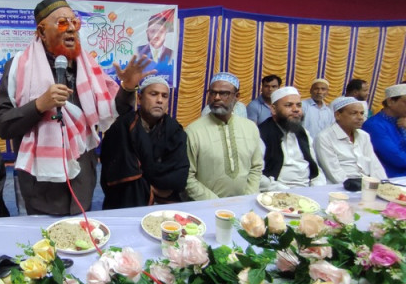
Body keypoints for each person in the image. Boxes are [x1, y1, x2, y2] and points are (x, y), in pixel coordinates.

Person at [0, 0, 152, 215]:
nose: (71, 29)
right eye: (62, 23)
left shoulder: (88, 66)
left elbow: (114, 113)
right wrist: (39, 105)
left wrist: (127, 88)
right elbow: (3, 126)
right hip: (42, 187)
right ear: (41, 31)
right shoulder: (18, 67)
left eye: (74, 23)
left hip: (82, 181)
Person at [100, 76, 188, 209]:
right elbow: (117, 173)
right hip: (125, 204)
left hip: (166, 205)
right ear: (140, 98)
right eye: (153, 94)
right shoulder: (122, 127)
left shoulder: (175, 130)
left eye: (164, 96)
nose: (159, 100)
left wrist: (142, 175)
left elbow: (179, 178)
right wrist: (154, 187)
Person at [183, 72, 263, 201]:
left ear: (237, 96)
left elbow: (256, 167)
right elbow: (187, 176)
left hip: (244, 204)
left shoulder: (250, 128)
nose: (216, 98)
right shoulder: (193, 131)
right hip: (206, 205)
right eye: (213, 93)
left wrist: (247, 197)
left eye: (224, 93)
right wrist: (216, 203)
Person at [259, 87, 326, 190]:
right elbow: (257, 175)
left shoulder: (303, 132)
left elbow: (315, 165)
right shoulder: (261, 133)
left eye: (299, 105)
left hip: (308, 189)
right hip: (276, 192)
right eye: (288, 105)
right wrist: (286, 191)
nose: (296, 109)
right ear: (273, 109)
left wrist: (317, 187)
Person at [314, 97, 387, 184]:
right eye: (354, 113)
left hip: (367, 184)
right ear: (338, 115)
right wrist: (362, 187)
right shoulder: (324, 137)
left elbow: (375, 165)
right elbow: (335, 174)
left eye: (362, 113)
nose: (360, 117)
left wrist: (384, 184)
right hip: (341, 187)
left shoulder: (364, 136)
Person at [362, 84, 406, 177]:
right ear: (390, 101)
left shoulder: (402, 121)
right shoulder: (374, 125)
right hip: (390, 177)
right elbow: (398, 159)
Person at [136, 11, 175, 79]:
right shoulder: (138, 51)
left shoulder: (171, 53)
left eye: (160, 32)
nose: (156, 35)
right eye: (153, 31)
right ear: (147, 32)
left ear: (165, 33)